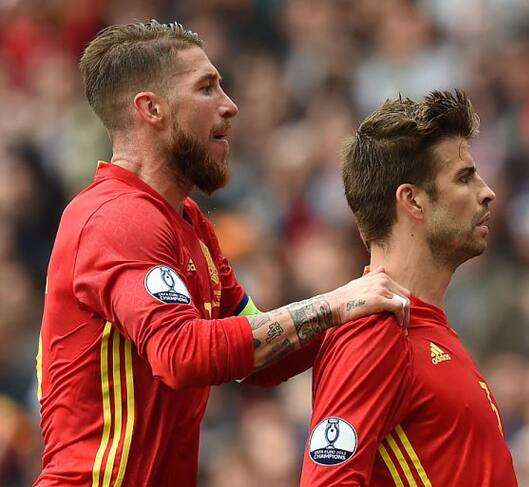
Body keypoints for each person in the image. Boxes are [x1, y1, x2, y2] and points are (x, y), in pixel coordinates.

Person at [34, 20, 410, 486]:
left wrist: (369, 305)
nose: (230, 105)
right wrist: (335, 304)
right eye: (207, 88)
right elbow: (181, 353)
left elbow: (262, 351)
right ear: (151, 109)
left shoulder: (188, 222)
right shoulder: (115, 217)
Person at [300, 90, 518, 486]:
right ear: (413, 200)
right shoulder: (373, 334)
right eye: (464, 177)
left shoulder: (424, 326)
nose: (487, 191)